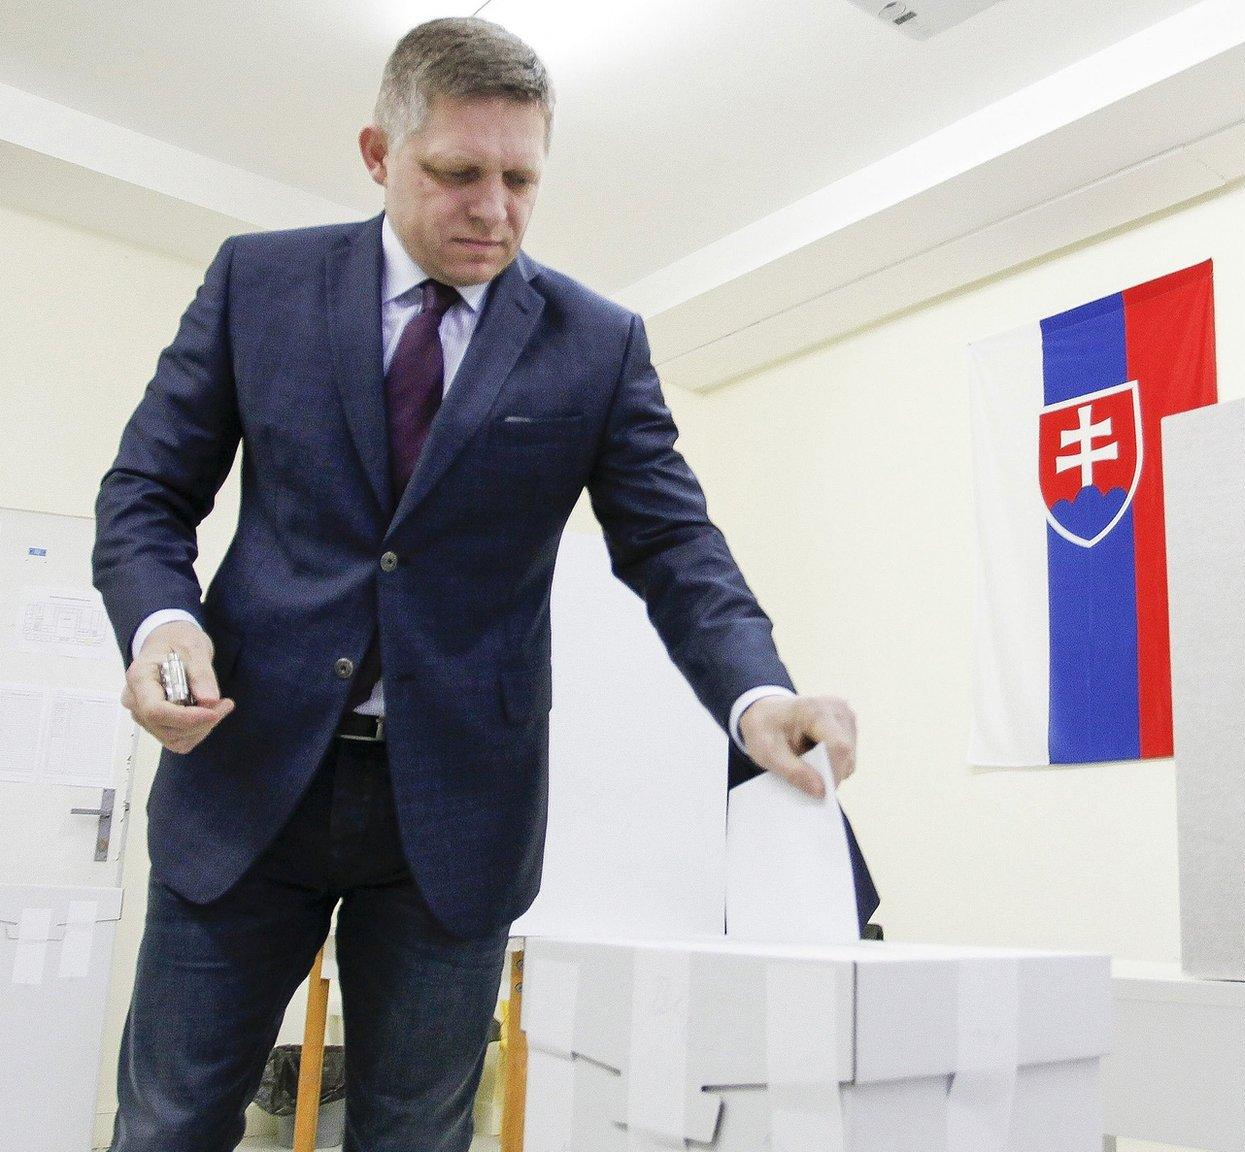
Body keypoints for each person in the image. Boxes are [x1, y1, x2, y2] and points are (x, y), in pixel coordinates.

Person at [92, 18, 856, 1149]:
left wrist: (758, 698)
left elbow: (675, 548)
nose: (492, 210)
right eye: (457, 173)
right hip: (246, 775)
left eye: (520, 179)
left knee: (414, 1132)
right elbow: (148, 492)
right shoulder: (261, 283)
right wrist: (167, 623)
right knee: (170, 1121)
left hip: (455, 814)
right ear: (377, 152)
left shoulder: (596, 344)